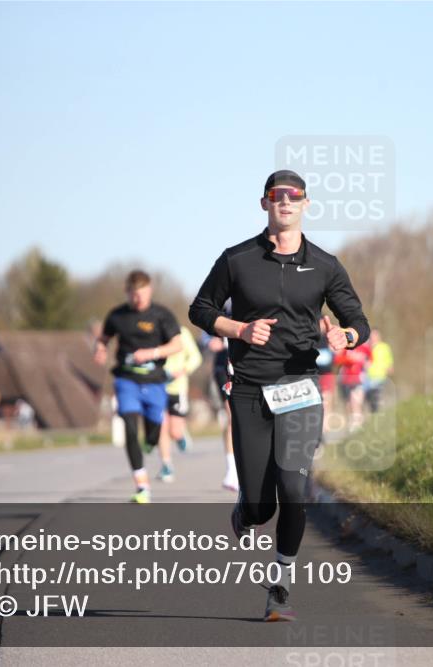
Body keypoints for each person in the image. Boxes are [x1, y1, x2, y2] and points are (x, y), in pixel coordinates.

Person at [189, 169, 370, 622]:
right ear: (265, 203)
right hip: (250, 388)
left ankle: (281, 588)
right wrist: (240, 329)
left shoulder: (326, 265)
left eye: (294, 196)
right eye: (276, 195)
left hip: (300, 388)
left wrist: (344, 336)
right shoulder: (238, 259)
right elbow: (200, 309)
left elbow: (358, 322)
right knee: (259, 505)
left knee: (294, 489)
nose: (285, 202)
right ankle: (246, 510)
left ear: (306, 204)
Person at [95, 270, 183, 503]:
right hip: (126, 380)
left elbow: (177, 344)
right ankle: (141, 485)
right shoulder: (117, 316)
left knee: (153, 431)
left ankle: (151, 442)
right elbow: (104, 337)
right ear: (127, 293)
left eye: (142, 294)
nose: (138, 299)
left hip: (154, 381)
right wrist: (101, 349)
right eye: (134, 295)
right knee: (130, 426)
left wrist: (151, 353)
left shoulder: (161, 315)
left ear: (150, 290)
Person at [207, 332, 239, 491]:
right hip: (225, 367)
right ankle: (232, 471)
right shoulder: (223, 308)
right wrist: (213, 340)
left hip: (254, 363)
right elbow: (205, 335)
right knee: (233, 417)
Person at [164, 325, 203, 455]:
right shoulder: (151, 331)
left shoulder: (181, 332)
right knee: (160, 426)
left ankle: (180, 434)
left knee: (174, 431)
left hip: (177, 387)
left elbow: (196, 357)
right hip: (156, 386)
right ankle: (166, 464)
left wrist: (182, 371)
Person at [335, 341, 371, 432]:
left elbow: (370, 360)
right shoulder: (346, 347)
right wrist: (350, 359)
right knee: (348, 404)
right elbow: (337, 360)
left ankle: (357, 424)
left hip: (359, 379)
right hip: (346, 380)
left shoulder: (365, 348)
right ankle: (352, 422)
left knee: (355, 402)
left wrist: (364, 362)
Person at [363, 329, 394, 413]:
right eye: (372, 335)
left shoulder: (384, 347)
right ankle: (373, 414)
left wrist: (390, 367)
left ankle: (377, 413)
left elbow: (389, 360)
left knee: (376, 396)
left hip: (380, 376)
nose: (373, 337)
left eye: (375, 335)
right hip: (367, 377)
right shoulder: (366, 347)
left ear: (379, 336)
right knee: (367, 398)